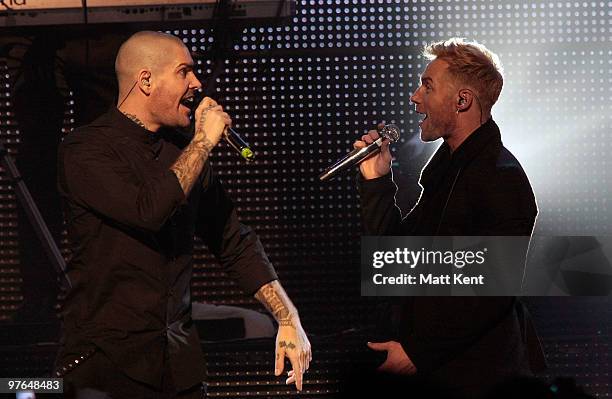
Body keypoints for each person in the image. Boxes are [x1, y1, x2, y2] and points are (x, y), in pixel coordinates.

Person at [55, 31, 311, 398]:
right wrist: (203, 141)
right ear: (145, 81)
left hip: (179, 365)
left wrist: (288, 317)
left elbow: (234, 241)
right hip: (105, 366)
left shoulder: (184, 152)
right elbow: (148, 210)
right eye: (184, 72)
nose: (197, 83)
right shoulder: (84, 149)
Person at [354, 38, 542, 398]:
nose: (415, 97)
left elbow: (491, 292)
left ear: (462, 100)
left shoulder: (501, 177)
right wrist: (377, 182)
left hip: (484, 377)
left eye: (427, 86)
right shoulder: (448, 173)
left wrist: (418, 353)